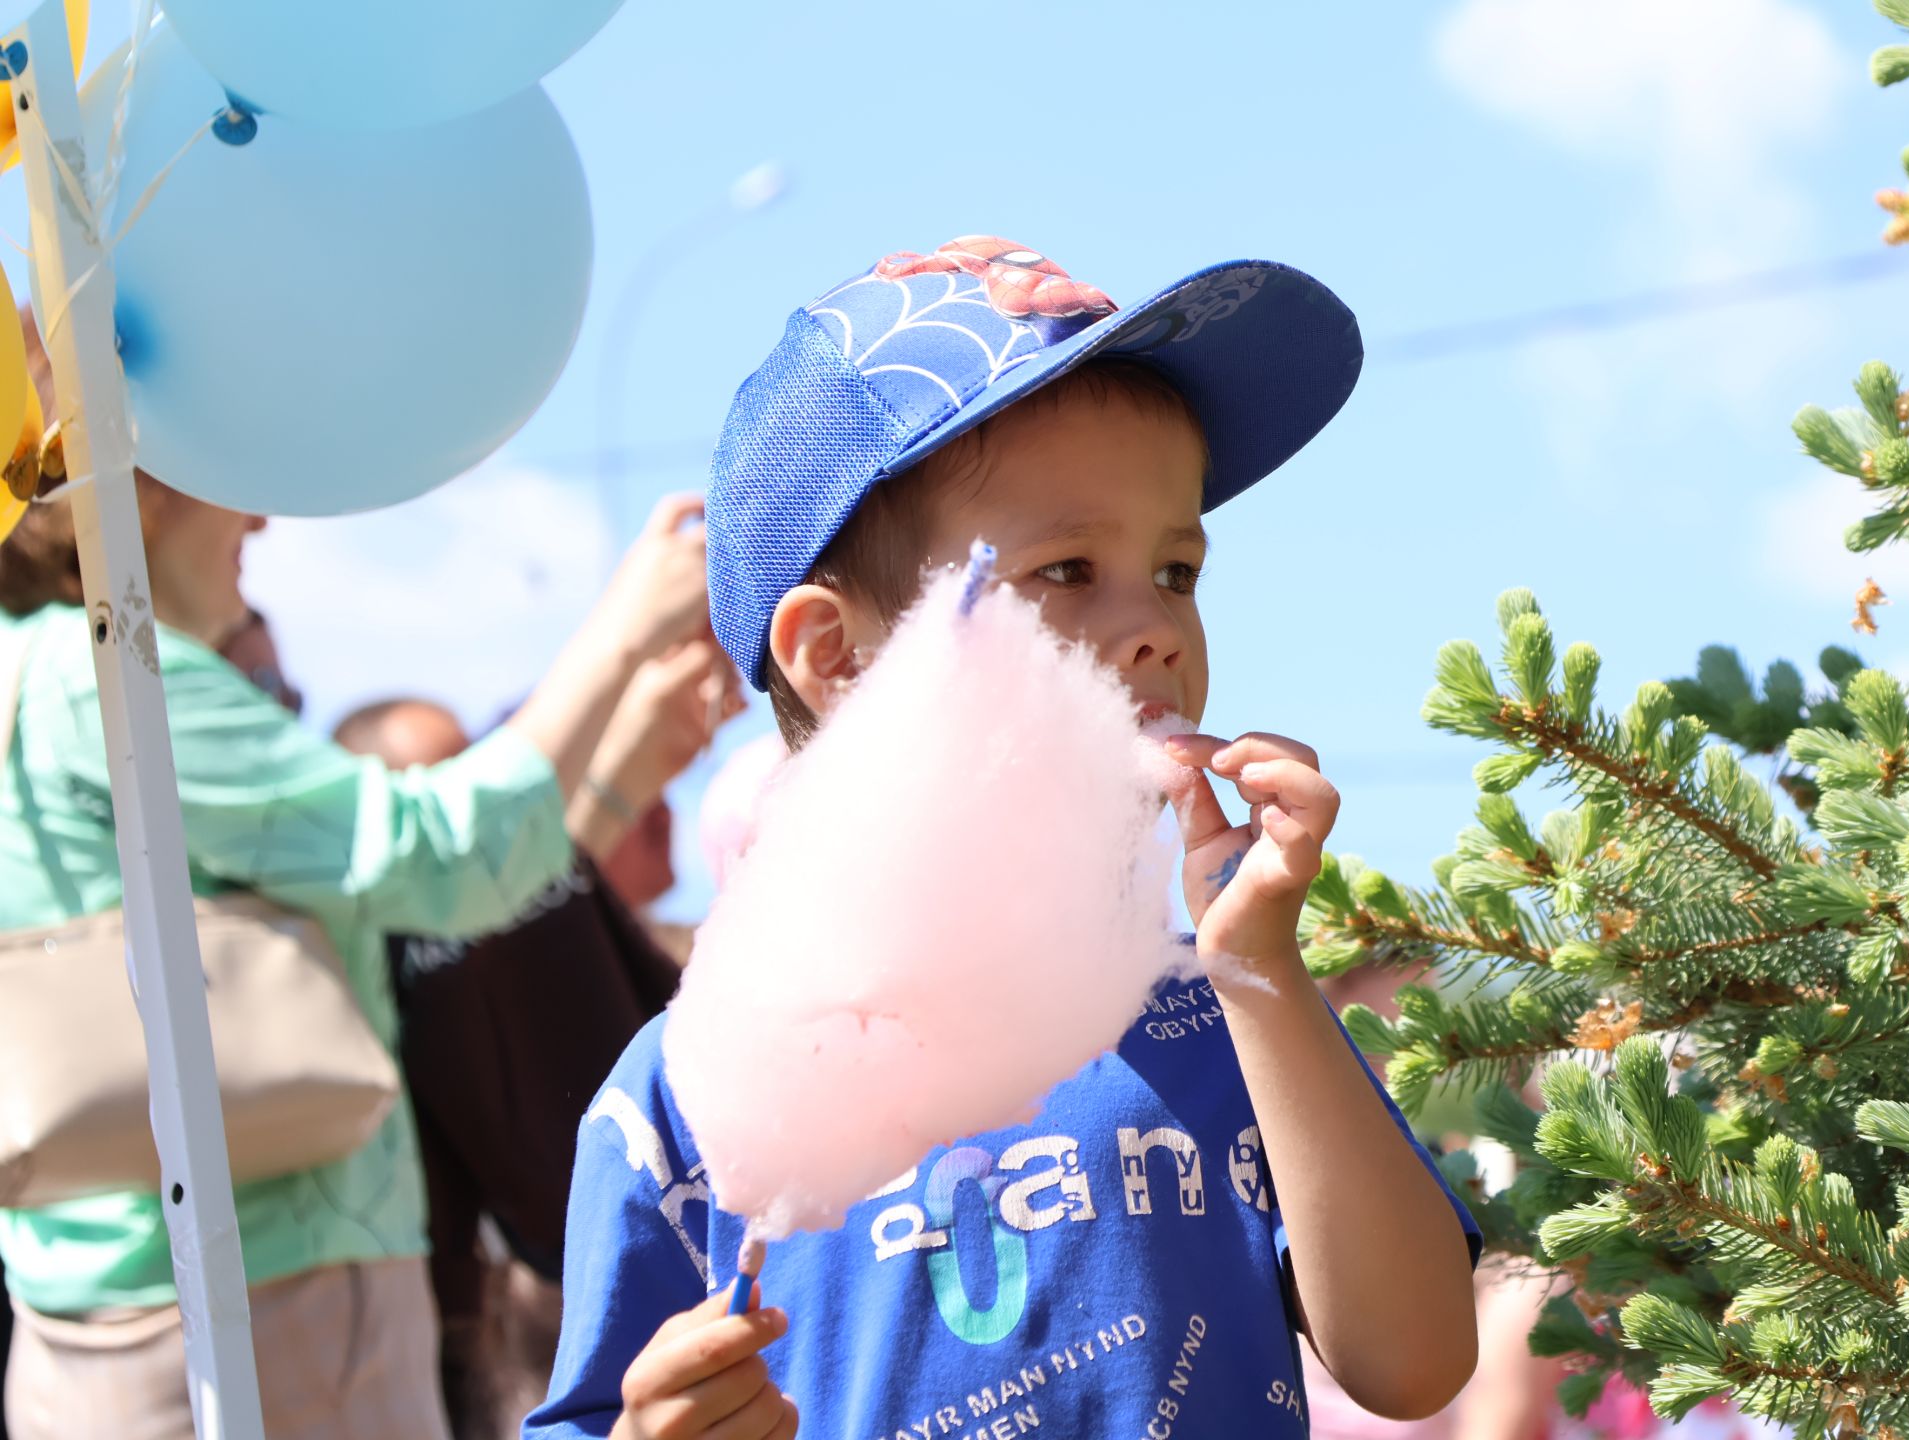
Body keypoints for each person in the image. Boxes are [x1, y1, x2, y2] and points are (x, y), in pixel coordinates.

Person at [527, 237, 1482, 1440]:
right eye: (1069, 569)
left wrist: (1266, 975)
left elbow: (1415, 1364)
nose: (1154, 628)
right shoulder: (676, 1100)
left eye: (1177, 568)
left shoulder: (1220, 1013)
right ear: (836, 655)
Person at [0, 302, 712, 1437]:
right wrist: (621, 634)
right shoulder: (110, 684)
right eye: (233, 462)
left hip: (94, 1315)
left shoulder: (26, 687)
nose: (266, 516)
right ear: (141, 475)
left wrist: (623, 752)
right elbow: (433, 860)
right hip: (264, 1308)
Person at [333, 653, 738, 1440]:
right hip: (528, 1304)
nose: (476, 808)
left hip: (676, 1238)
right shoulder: (386, 959)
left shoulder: (541, 878)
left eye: (473, 773)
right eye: (437, 791)